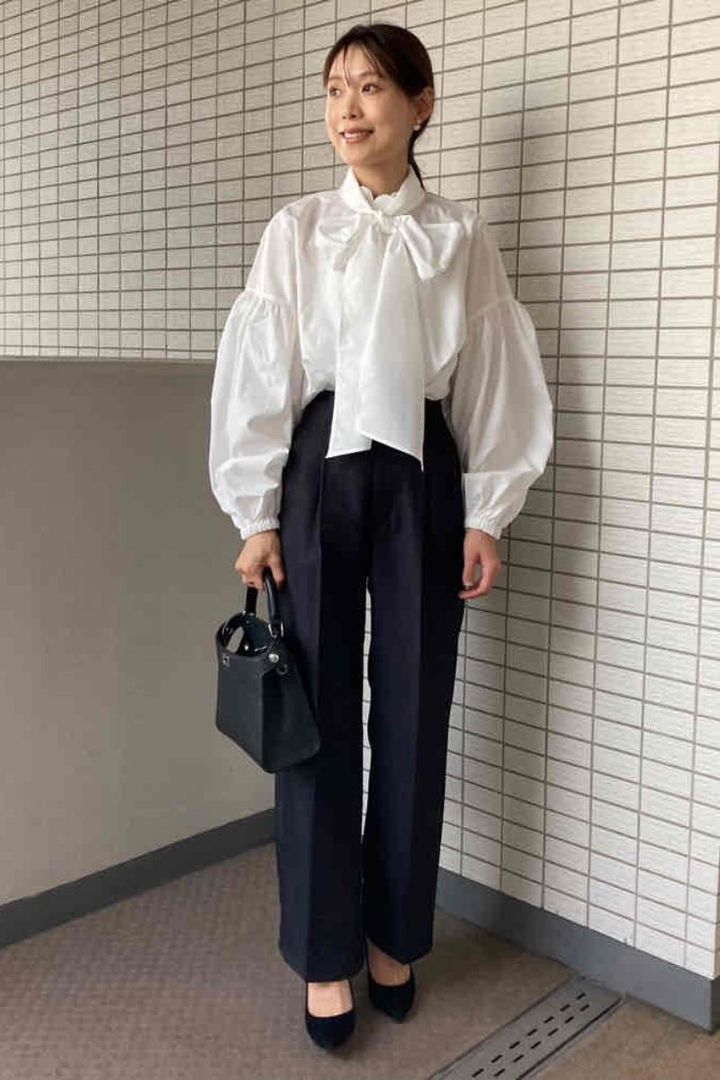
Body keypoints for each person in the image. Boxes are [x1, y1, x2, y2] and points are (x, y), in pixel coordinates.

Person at [208, 22, 553, 1053]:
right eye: (334, 90)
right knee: (315, 714)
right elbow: (264, 369)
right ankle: (325, 954)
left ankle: (395, 935)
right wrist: (256, 514)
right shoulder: (299, 229)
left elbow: (492, 377)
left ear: (420, 104)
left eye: (368, 87)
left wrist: (487, 513)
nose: (347, 109)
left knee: (414, 707)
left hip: (423, 478)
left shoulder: (463, 238)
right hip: (319, 470)